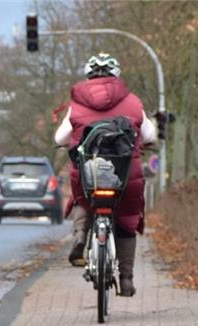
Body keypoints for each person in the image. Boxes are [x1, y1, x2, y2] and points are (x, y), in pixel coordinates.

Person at [54, 53, 156, 297]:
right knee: (126, 219)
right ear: (117, 75)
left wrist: (69, 142)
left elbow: (59, 139)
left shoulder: (75, 106)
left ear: (88, 75)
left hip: (88, 172)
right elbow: (150, 135)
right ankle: (127, 278)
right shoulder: (133, 102)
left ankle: (80, 234)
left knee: (82, 198)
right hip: (125, 174)